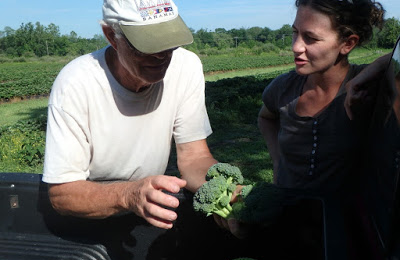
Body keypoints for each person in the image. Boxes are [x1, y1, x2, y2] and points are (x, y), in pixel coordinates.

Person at [42, 0, 218, 230]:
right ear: (111, 36)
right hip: (89, 219)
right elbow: (62, 194)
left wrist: (226, 191)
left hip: (146, 211)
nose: (162, 56)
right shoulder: (76, 83)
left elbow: (194, 158)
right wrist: (129, 195)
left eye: (169, 42)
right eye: (148, 45)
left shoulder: (187, 66)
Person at [258, 0, 385, 191]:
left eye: (311, 38)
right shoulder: (283, 88)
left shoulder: (369, 87)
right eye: (295, 33)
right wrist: (277, 161)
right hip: (287, 213)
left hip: (346, 218)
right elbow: (265, 117)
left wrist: (376, 68)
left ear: (348, 44)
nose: (296, 47)